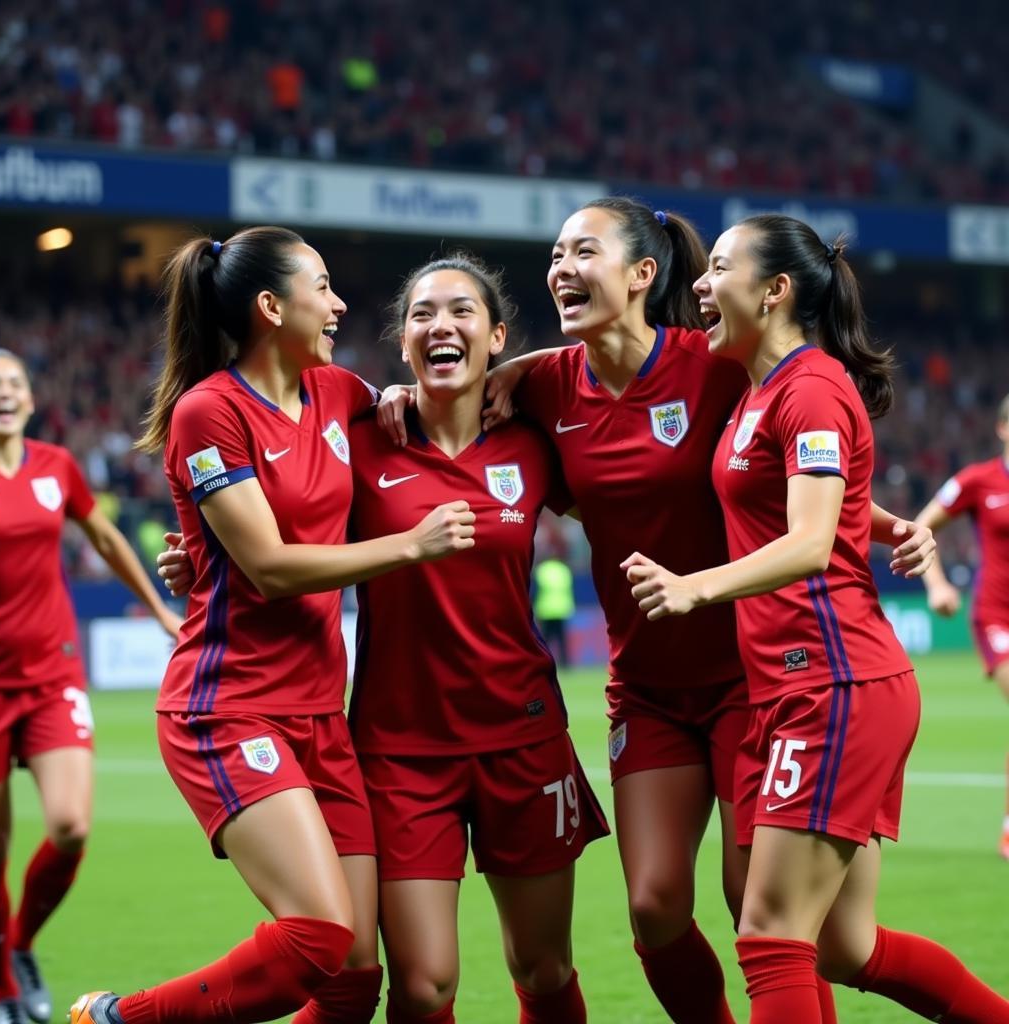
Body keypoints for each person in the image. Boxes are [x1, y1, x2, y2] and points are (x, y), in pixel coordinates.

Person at [380, 197, 933, 1024]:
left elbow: (793, 463)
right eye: (556, 253)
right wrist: (417, 388)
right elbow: (455, 406)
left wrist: (885, 526)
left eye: (584, 250)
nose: (562, 266)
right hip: (646, 684)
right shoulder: (544, 388)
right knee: (654, 906)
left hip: (753, 675)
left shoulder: (712, 363)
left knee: (771, 913)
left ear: (643, 274)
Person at [160, 252, 609, 1024]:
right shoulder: (359, 436)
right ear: (401, 346)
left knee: (543, 966)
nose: (442, 326)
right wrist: (197, 553)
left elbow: (629, 499)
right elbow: (275, 533)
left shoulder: (531, 444)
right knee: (421, 982)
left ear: (498, 336)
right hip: (398, 749)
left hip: (522, 736)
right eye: (422, 315)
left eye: (463, 311)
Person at [69, 226, 475, 1024]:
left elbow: (425, 404)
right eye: (322, 287)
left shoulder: (341, 393)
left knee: (355, 978)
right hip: (229, 708)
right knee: (320, 935)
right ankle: (118, 1019)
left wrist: (396, 397)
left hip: (323, 715)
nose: (339, 304)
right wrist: (410, 547)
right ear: (270, 305)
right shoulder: (209, 411)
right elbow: (271, 567)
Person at [623, 212, 1009, 1023]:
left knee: (769, 934)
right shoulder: (761, 392)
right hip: (793, 689)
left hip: (831, 686)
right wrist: (883, 519)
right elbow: (805, 504)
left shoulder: (812, 387)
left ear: (775, 290)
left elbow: (805, 541)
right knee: (844, 947)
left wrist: (697, 587)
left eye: (718, 267)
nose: (698, 282)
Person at [0, 348, 182, 1024]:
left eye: (13, 382)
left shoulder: (55, 467)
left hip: (51, 672)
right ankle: (5, 993)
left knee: (70, 826)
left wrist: (159, 608)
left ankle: (19, 945)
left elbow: (103, 536)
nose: (3, 393)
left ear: (32, 400)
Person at [916, 395, 1009, 859]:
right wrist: (936, 584)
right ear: (1003, 430)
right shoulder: (978, 481)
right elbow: (921, 526)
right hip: (996, 614)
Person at [532, 538, 576, 666]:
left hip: (546, 610)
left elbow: (535, 591)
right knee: (562, 640)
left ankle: (544, 662)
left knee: (545, 640)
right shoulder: (564, 570)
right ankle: (565, 664)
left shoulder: (542, 570)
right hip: (562, 609)